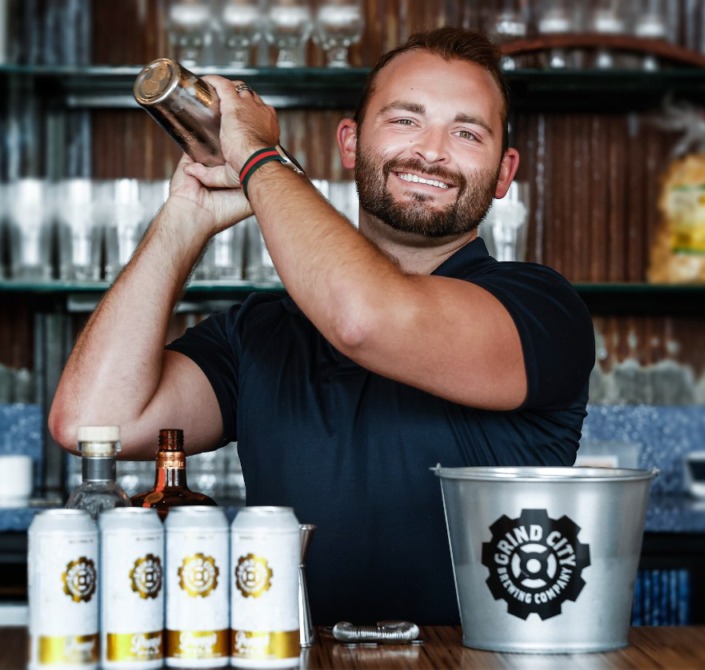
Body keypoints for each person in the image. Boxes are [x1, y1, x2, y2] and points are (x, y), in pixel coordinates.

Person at [48, 26, 595, 626]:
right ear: (351, 144)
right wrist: (187, 216)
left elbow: (365, 320)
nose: (432, 151)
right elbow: (93, 423)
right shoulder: (259, 331)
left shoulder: (541, 309)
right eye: (405, 120)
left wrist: (260, 157)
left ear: (503, 172)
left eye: (467, 132)